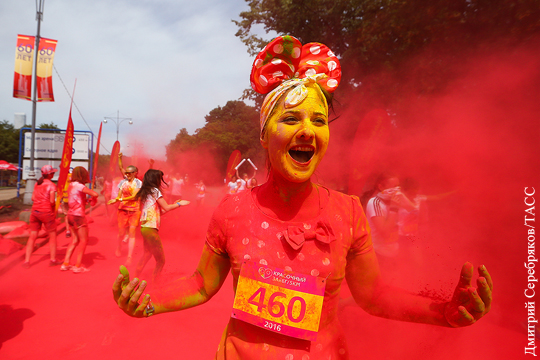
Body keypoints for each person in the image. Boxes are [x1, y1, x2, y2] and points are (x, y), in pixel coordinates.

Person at [112, 36, 492, 359]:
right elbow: (200, 284)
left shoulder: (349, 213)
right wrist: (148, 303)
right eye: (291, 119)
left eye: (318, 120)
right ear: (265, 135)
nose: (307, 130)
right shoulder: (232, 211)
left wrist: (443, 311)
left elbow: (373, 296)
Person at [134, 169, 190, 281]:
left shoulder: (146, 192)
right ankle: (154, 284)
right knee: (161, 260)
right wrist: (180, 204)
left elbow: (161, 211)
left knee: (147, 255)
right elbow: (166, 207)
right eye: (160, 178)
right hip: (151, 229)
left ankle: (135, 278)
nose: (161, 181)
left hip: (144, 228)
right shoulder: (155, 190)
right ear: (155, 179)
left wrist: (173, 205)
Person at [61, 166, 98, 273]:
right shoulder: (80, 186)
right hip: (78, 216)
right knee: (83, 240)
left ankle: (66, 263)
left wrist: (86, 200)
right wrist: (93, 197)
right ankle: (78, 265)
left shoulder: (71, 185)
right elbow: (95, 193)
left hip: (70, 215)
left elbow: (76, 198)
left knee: (75, 240)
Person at [22, 165, 60, 268]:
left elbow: (33, 198)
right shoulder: (52, 185)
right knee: (52, 236)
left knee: (32, 237)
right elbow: (52, 201)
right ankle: (53, 259)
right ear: (50, 174)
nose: (53, 174)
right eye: (52, 172)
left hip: (35, 212)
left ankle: (27, 261)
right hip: (46, 212)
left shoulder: (37, 184)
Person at [107, 153, 142, 264]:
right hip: (122, 210)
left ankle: (129, 257)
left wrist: (119, 200)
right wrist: (120, 158)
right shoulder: (123, 182)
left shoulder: (138, 183)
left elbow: (135, 196)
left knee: (132, 233)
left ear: (135, 173)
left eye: (129, 173)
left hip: (134, 210)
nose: (126, 174)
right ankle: (119, 247)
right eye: (126, 173)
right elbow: (119, 195)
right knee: (121, 233)